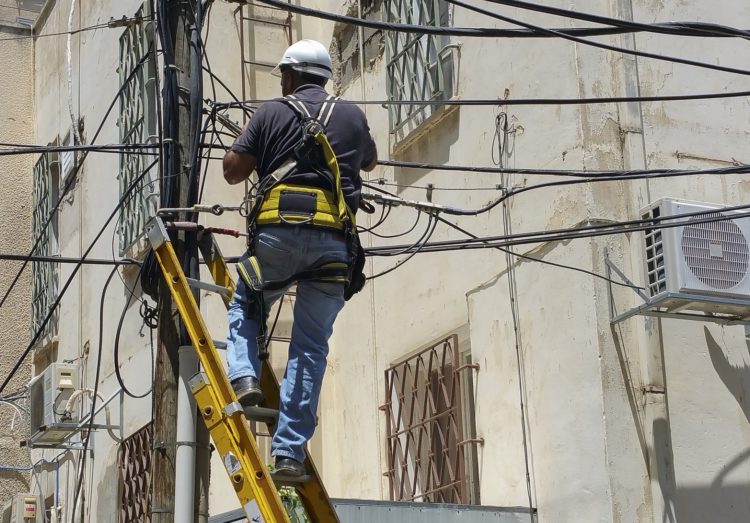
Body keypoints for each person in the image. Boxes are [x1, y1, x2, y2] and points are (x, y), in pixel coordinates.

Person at [222, 39, 377, 477]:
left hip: (277, 238)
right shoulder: (351, 115)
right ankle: (288, 453)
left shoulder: (271, 112)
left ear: (289, 76)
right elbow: (369, 162)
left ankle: (244, 377)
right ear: (325, 77)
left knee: (247, 300)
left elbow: (233, 171)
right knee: (310, 350)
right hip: (333, 247)